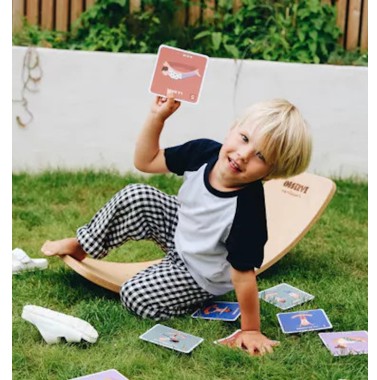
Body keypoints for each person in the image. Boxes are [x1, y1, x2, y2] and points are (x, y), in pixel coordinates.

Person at [41, 91, 312, 356]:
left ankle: (183, 289)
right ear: (232, 129)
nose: (243, 155)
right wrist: (157, 117)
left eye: (260, 157)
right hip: (180, 230)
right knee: (137, 194)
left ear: (270, 173)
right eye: (244, 139)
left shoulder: (247, 209)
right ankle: (83, 244)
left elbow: (243, 274)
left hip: (201, 272)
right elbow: (145, 161)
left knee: (135, 296)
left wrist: (250, 329)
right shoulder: (204, 152)